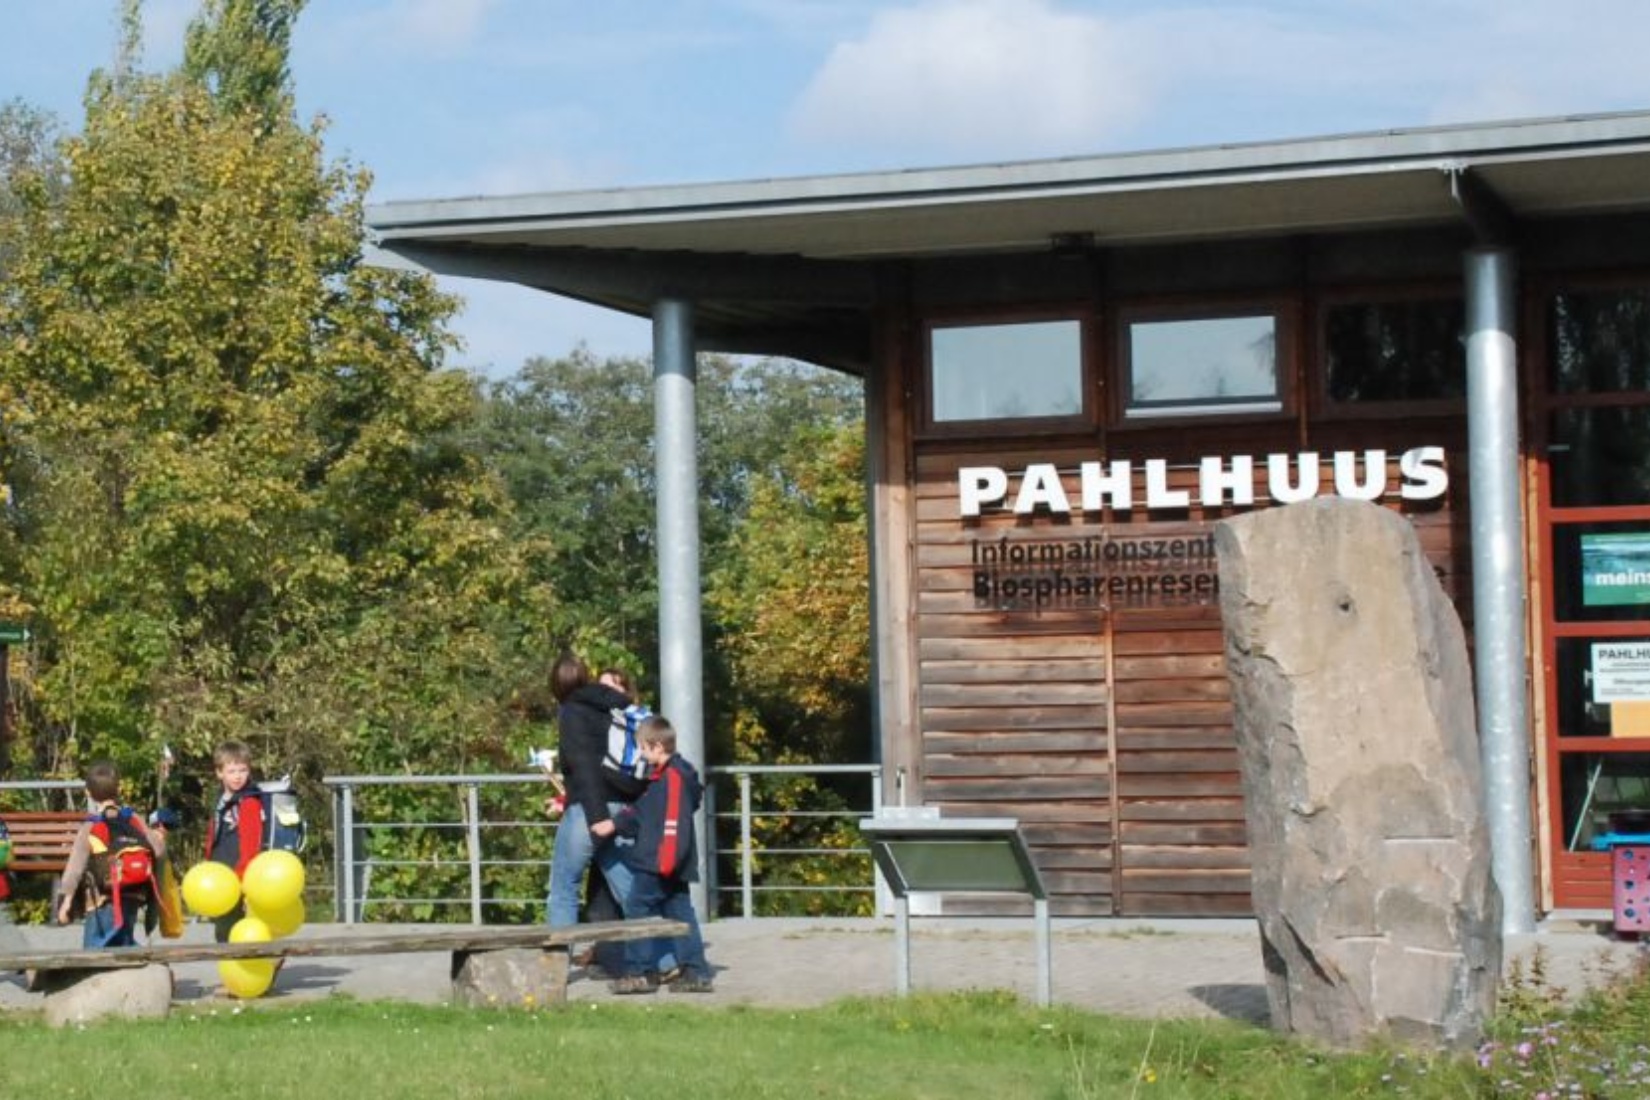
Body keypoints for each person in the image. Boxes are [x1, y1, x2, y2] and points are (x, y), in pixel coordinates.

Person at [545, 654, 648, 966]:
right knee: (627, 886)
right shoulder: (612, 704)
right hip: (623, 802)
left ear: (557, 685)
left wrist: (596, 816)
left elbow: (584, 766)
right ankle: (664, 957)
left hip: (590, 809)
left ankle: (554, 967)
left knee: (563, 887)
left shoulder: (572, 711)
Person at [609, 715, 714, 994]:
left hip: (659, 863)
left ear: (656, 746)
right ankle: (696, 971)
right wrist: (616, 824)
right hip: (668, 862)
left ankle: (639, 971)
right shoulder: (664, 778)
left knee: (637, 911)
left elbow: (671, 823)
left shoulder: (673, 778)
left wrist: (665, 863)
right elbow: (645, 814)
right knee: (681, 915)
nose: (642, 755)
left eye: (643, 748)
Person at [54, 759, 169, 948]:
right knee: (123, 943)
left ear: (88, 793)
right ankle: (146, 968)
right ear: (118, 790)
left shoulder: (91, 825)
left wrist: (66, 901)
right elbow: (159, 850)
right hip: (133, 895)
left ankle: (148, 966)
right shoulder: (133, 819)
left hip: (102, 900)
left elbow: (75, 867)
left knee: (96, 952)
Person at [202, 739, 267, 942]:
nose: (238, 776)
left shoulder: (248, 802)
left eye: (243, 770)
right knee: (223, 928)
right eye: (231, 771)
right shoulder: (222, 799)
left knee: (231, 930)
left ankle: (251, 968)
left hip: (237, 877)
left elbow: (251, 845)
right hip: (221, 872)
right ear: (219, 772)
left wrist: (241, 880)